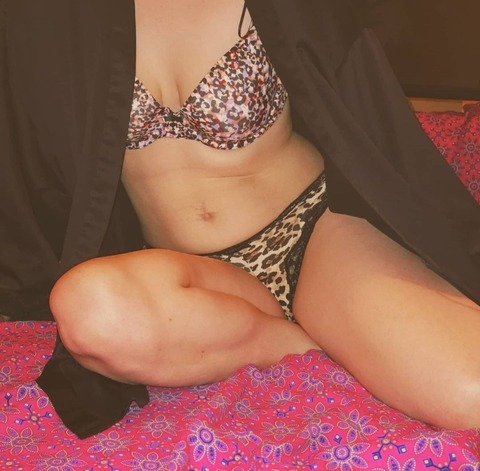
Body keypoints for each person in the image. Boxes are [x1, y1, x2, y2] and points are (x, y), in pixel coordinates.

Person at [1, 0, 480, 438]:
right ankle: (302, 347)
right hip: (191, 273)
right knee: (90, 314)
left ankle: (339, 330)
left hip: (310, 232)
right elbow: (26, 145)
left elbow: (357, 75)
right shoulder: (59, 17)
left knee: (470, 391)